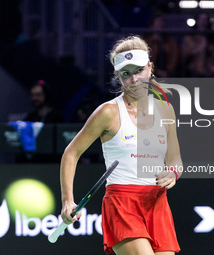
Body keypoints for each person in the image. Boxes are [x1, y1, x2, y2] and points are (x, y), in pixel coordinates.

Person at [60, 35, 182, 254]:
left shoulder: (166, 110)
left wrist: (173, 172)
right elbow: (71, 153)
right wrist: (68, 201)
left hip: (157, 202)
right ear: (117, 76)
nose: (134, 79)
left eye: (138, 70)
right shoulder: (108, 112)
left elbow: (175, 159)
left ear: (150, 68)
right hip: (122, 203)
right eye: (126, 74)